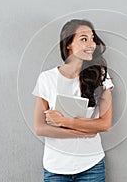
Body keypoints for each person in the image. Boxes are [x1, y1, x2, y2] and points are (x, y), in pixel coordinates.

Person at [32, 19, 114, 182]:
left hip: (91, 166)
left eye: (92, 39)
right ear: (68, 43)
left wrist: (64, 121)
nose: (91, 44)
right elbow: (40, 128)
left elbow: (104, 124)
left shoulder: (101, 76)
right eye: (84, 39)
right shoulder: (46, 79)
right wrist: (85, 131)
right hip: (55, 168)